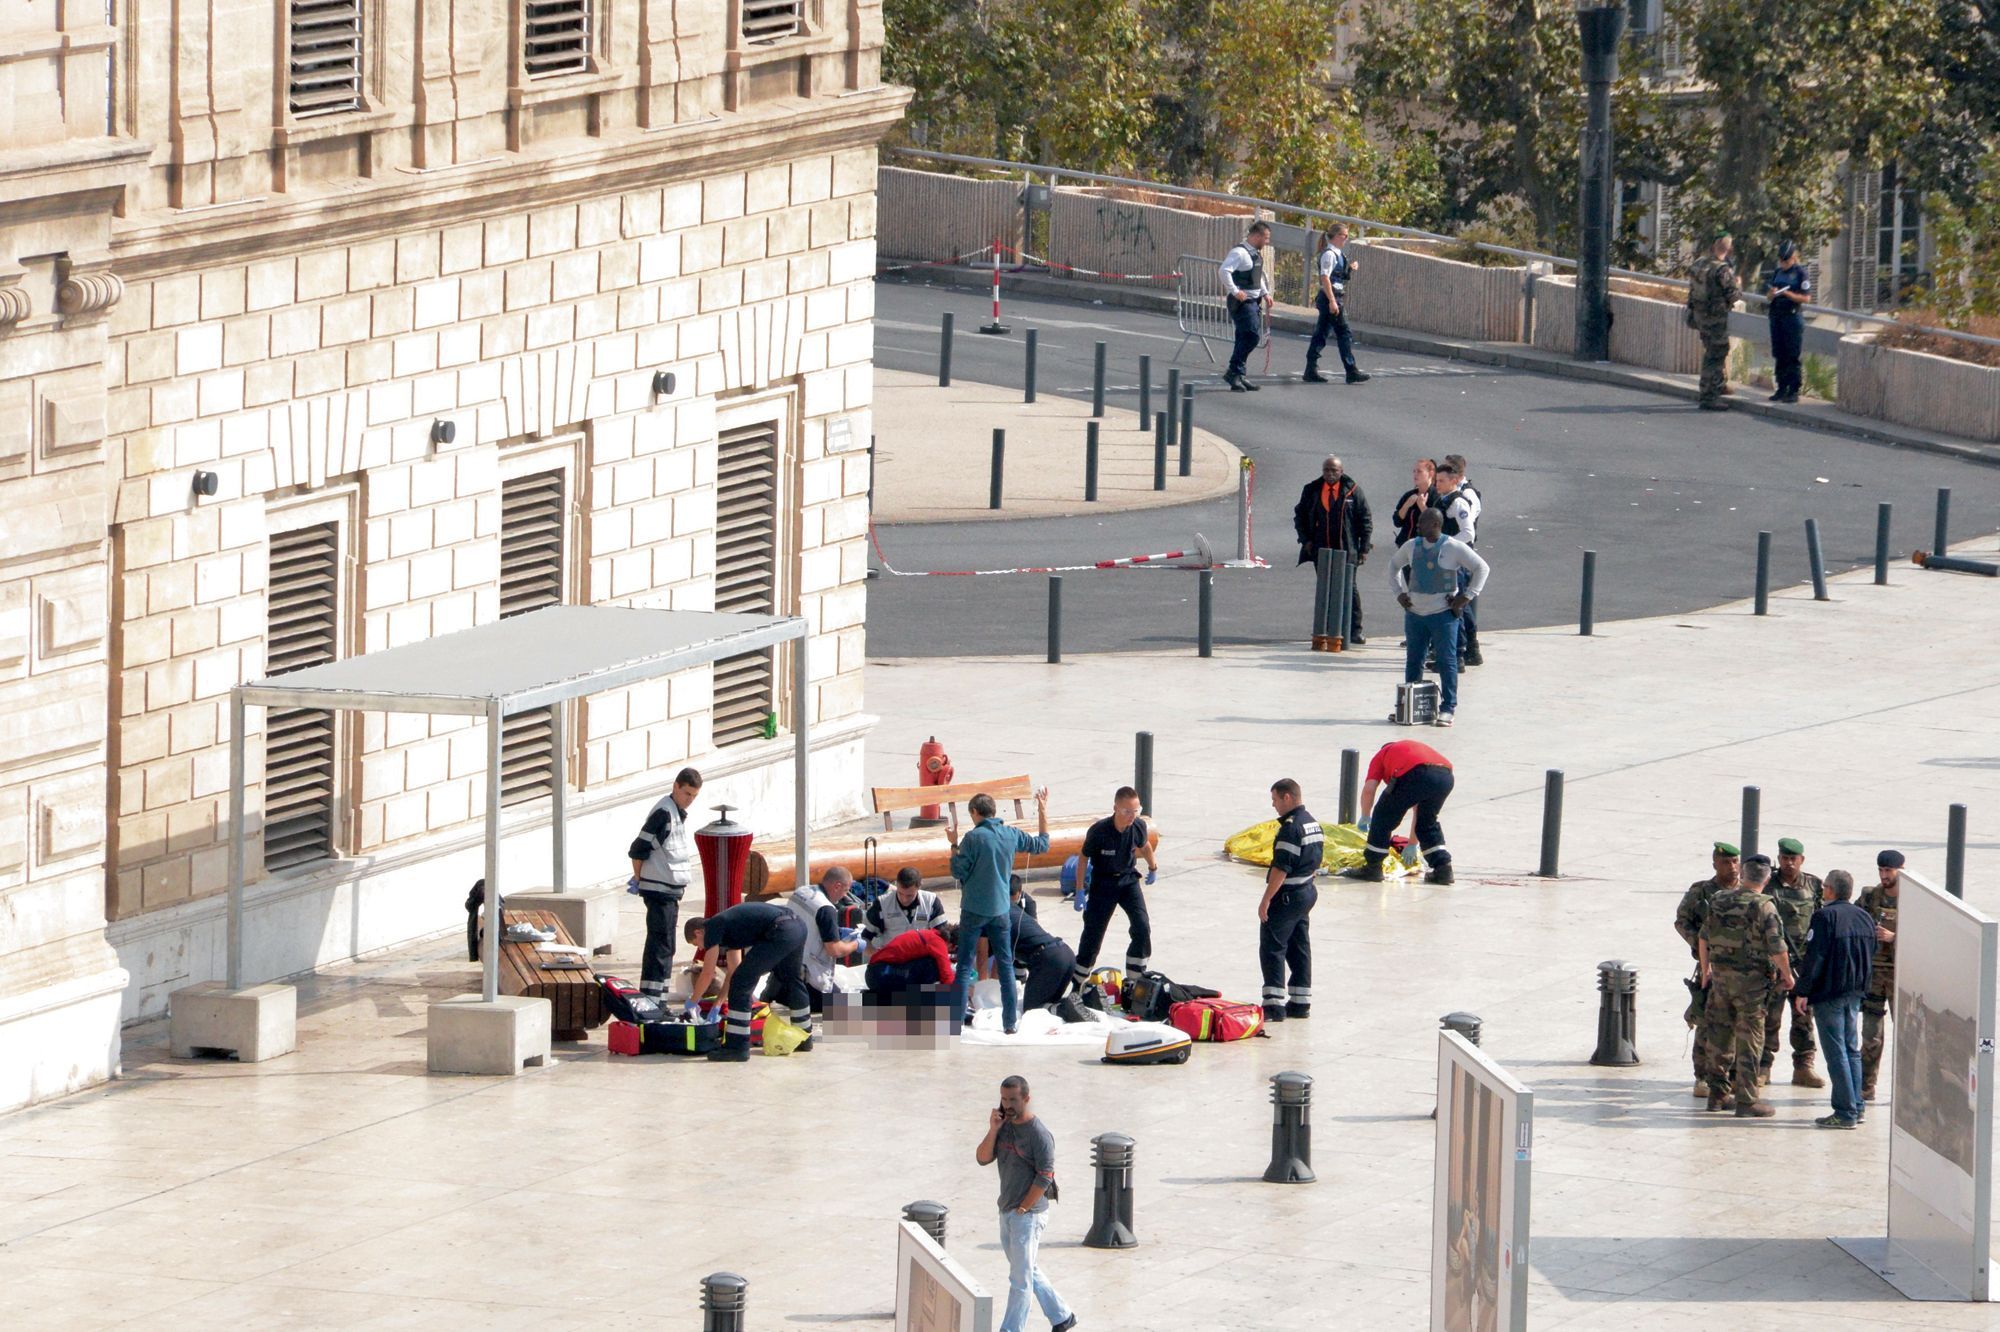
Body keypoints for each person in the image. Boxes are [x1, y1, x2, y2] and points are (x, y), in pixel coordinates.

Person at [1696, 854, 1796, 1117]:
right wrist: (1788, 975)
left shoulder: (1718, 899)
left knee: (1718, 1037)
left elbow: (1703, 937)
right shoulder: (1764, 906)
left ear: (1742, 874)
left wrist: (1706, 970)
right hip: (1751, 986)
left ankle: (1716, 1096)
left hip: (1720, 980)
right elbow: (1777, 948)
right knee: (1750, 1040)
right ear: (1766, 879)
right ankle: (1746, 1100)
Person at [976, 1076, 1077, 1332]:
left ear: (1026, 1099)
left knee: (1019, 1280)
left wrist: (1023, 1208)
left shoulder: (1039, 1134)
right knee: (1027, 1270)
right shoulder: (1004, 1126)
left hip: (1028, 1215)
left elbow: (1045, 1176)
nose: (1007, 1104)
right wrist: (993, 1128)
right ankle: (1062, 1316)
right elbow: (982, 1157)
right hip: (1007, 1209)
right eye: (1003, 1098)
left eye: (1012, 1099)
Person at [948, 789, 1052, 1035]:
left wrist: (953, 844)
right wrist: (1043, 810)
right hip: (1000, 910)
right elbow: (1042, 844)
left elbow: (958, 871)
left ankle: (955, 1022)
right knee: (1006, 965)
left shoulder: (972, 839)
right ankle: (1009, 1023)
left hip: (973, 910)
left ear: (975, 813)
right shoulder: (1010, 834)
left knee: (963, 967)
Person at [1388, 508, 1488, 727]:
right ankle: (1410, 705)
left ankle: (1448, 708)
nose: (1417, 526)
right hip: (1415, 614)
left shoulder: (1452, 547)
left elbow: (1482, 568)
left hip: (1443, 616)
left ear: (1435, 524)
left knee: (1446, 660)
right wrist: (1399, 593)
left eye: (1422, 522)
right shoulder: (1411, 546)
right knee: (1414, 660)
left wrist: (1466, 597)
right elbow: (1393, 566)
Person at [1794, 869, 1877, 1128]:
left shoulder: (1824, 917)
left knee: (1836, 1052)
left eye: (1825, 887)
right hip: (1855, 992)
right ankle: (1857, 1106)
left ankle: (1844, 1112)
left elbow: (1814, 957)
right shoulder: (1864, 917)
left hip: (1830, 993)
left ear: (1830, 890)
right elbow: (1871, 950)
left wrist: (1803, 990)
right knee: (1851, 1050)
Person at [683, 901, 812, 1062]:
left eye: (697, 944)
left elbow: (708, 973)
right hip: (797, 926)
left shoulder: (713, 926)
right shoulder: (729, 928)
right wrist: (717, 1004)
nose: (701, 949)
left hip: (780, 929)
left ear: (698, 932)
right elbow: (733, 972)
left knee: (742, 984)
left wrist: (692, 1002)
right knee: (791, 979)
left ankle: (736, 1046)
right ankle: (804, 1037)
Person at [626, 767, 702, 1003]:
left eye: (694, 796)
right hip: (659, 890)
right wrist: (638, 878)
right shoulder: (664, 813)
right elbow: (638, 849)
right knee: (661, 946)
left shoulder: (675, 812)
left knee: (665, 945)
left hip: (668, 890)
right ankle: (653, 999)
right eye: (687, 793)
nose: (689, 800)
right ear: (675, 786)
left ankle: (656, 997)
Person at [1069, 787, 1157, 989]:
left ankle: (1136, 978)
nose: (1131, 817)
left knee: (1142, 926)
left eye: (1136, 811)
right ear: (1116, 808)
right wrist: (1080, 889)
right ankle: (1078, 983)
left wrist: (1153, 867)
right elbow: (1083, 858)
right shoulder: (1099, 831)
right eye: (1127, 812)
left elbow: (1145, 846)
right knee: (1093, 935)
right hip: (1103, 883)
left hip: (1128, 881)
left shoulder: (1138, 826)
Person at [1675, 842, 1741, 1099]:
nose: (1732, 867)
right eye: (1726, 862)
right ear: (1715, 864)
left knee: (1738, 1023)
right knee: (1706, 1021)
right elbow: (1682, 921)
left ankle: (1733, 1075)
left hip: (1740, 969)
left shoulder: (1748, 891)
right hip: (1709, 966)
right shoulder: (1701, 891)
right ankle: (1701, 1075)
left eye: (1735, 862)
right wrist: (1700, 946)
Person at [1344, 739, 1454, 884]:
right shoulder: (1409, 750)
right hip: (1446, 776)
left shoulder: (1381, 755)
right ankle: (1443, 869)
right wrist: (1412, 843)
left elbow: (1369, 789)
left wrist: (1366, 815)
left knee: (1382, 818)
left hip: (1415, 773)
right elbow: (1417, 810)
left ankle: (1373, 868)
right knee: (1427, 822)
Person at [1762, 837, 1824, 1089]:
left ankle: (1803, 1066)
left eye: (1793, 859)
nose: (1788, 863)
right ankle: (1763, 1066)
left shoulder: (1814, 885)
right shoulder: (1768, 885)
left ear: (1802, 860)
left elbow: (1822, 918)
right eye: (1784, 858)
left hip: (1803, 962)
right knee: (1770, 1016)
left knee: (1803, 1016)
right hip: (1774, 962)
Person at [1259, 778, 1323, 1021]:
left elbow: (1281, 867)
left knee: (1272, 946)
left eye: (1275, 799)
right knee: (1299, 947)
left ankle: (1273, 1005)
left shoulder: (1291, 827)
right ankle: (1300, 1002)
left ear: (1287, 797)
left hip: (1287, 895)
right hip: (1306, 891)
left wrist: (1266, 900)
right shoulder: (1313, 824)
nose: (1274, 805)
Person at [1293, 455, 1373, 646]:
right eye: (1326, 470)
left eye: (1334, 470)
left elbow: (1366, 520)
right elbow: (1300, 516)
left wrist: (1363, 548)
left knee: (1349, 589)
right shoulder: (1312, 490)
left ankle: (1354, 630)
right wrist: (1306, 541)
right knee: (1325, 588)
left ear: (1341, 472)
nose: (1329, 474)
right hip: (1321, 550)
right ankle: (1328, 628)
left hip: (1347, 550)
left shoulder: (1353, 491)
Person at [1857, 849, 1904, 1102]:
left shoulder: (1915, 901)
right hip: (1874, 976)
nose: (1884, 875)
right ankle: (1866, 1086)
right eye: (1881, 870)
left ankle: (1907, 1089)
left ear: (1901, 870)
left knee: (1908, 1037)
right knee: (1871, 1036)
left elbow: (1929, 938)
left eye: (1889, 870)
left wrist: (1894, 938)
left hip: (1901, 977)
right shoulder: (1869, 897)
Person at [788, 866, 861, 1012]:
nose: (845, 896)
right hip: (809, 977)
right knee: (849, 1006)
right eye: (846, 890)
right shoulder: (826, 909)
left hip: (787, 966)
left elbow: (810, 923)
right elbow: (835, 950)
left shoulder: (802, 892)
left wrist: (834, 931)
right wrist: (856, 944)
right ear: (837, 886)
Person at [1304, 223, 1369, 384]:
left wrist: (1351, 268)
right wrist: (1332, 301)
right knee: (1344, 332)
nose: (1346, 239)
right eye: (1344, 235)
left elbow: (1340, 276)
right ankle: (1351, 370)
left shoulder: (1339, 254)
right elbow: (1325, 277)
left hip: (1335, 296)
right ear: (1336, 236)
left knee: (1321, 333)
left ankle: (1310, 369)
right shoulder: (1329, 254)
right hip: (1330, 298)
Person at [1435, 456, 1483, 667]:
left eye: (1442, 481)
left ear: (1454, 480)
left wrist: (1445, 544)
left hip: (1455, 563)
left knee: (1456, 607)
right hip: (1447, 561)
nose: (1438, 485)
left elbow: (1468, 533)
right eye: (1436, 481)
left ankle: (1459, 653)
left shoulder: (1458, 502)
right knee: (1450, 606)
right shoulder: (1444, 499)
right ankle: (1457, 651)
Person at [1687, 230, 1742, 410]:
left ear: (1713, 245)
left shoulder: (1699, 263)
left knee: (1712, 350)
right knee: (1715, 354)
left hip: (1700, 316)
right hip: (1716, 319)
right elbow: (1733, 296)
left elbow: (1692, 290)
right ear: (1729, 248)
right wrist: (1738, 284)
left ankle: (1718, 384)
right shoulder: (1722, 269)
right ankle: (1708, 396)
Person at [1005, 878, 1077, 1011]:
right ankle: (1084, 1001)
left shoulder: (998, 914)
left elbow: (995, 958)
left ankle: (1065, 1008)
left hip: (1049, 960)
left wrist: (985, 985)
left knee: (1032, 1011)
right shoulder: (1014, 911)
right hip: (1065, 954)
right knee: (1047, 1004)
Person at [1219, 220, 1273, 392]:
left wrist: (1265, 293)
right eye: (1266, 238)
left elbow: (1258, 277)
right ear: (1256, 236)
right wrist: (1234, 291)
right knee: (1251, 337)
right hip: (1242, 303)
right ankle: (1233, 371)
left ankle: (1238, 375)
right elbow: (1223, 271)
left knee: (1243, 338)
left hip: (1253, 301)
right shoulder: (1239, 252)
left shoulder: (1255, 255)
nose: (1267, 242)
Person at [861, 866, 946, 956]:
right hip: (892, 959)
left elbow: (943, 936)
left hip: (922, 959)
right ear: (896, 884)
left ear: (919, 886)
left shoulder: (931, 901)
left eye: (910, 895)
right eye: (900, 893)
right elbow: (864, 938)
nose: (904, 899)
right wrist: (878, 957)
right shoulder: (882, 904)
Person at [1764, 240, 1811, 402]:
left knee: (1792, 354)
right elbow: (1768, 297)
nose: (1783, 263)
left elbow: (1806, 298)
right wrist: (1772, 293)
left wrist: (1788, 294)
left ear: (1793, 257)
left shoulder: (1800, 273)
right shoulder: (1777, 272)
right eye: (1781, 260)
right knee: (1779, 353)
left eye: (1786, 260)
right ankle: (1781, 387)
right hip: (1777, 316)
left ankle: (1793, 390)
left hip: (1792, 316)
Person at [864, 920, 958, 995]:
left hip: (877, 973)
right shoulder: (938, 942)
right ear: (952, 945)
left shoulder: (931, 935)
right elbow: (947, 976)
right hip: (879, 974)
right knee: (932, 967)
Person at [1393, 459, 1444, 547]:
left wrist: (1423, 507)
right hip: (1405, 545)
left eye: (1419, 471)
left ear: (1431, 474)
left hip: (1425, 547)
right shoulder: (1409, 495)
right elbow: (1397, 522)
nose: (1415, 474)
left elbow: (1437, 525)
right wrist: (1406, 505)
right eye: (1414, 471)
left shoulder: (1436, 496)